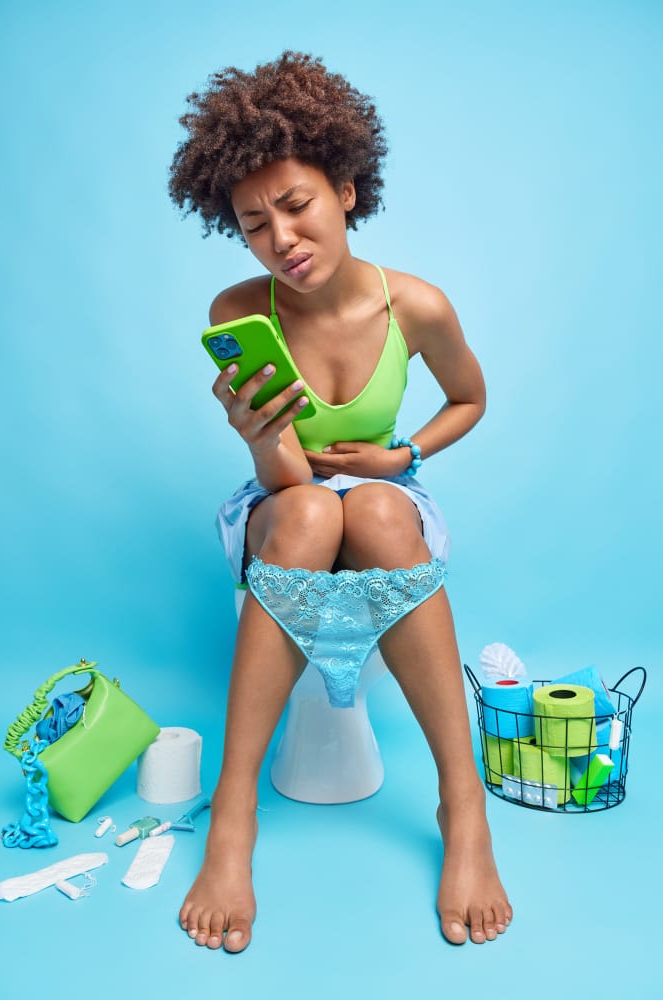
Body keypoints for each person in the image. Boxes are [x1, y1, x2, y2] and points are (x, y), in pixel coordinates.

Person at [168, 50, 512, 951]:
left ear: (347, 189)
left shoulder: (416, 307)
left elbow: (469, 400)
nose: (279, 238)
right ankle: (232, 820)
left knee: (376, 509)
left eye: (296, 205)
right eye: (252, 224)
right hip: (283, 500)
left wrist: (402, 454)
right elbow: (289, 486)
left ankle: (462, 806)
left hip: (386, 498)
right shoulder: (238, 310)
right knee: (321, 509)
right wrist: (258, 433)